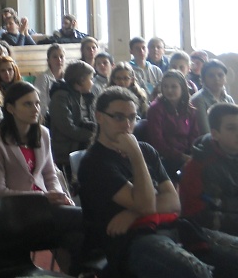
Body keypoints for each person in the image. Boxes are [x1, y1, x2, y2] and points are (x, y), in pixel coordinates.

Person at [78, 86, 238, 277]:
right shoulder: (95, 162)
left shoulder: (146, 150)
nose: (127, 124)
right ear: (99, 117)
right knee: (197, 273)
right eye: (119, 117)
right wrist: (135, 155)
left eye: (132, 117)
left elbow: (174, 202)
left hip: (171, 226)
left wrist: (133, 212)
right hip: (131, 241)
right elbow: (147, 205)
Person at [0, 81, 82, 274]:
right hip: (15, 212)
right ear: (11, 108)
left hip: (45, 208)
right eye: (27, 104)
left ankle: (77, 272)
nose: (35, 108)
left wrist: (58, 194)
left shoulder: (43, 133)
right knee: (83, 219)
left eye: (37, 103)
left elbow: (50, 174)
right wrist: (43, 197)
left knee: (75, 236)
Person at [180, 103, 238, 236]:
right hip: (209, 233)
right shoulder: (197, 166)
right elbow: (196, 215)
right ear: (215, 134)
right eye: (231, 128)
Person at [146, 69, 201, 179]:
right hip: (165, 158)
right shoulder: (156, 108)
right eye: (165, 86)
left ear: (183, 88)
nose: (169, 90)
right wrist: (181, 156)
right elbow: (157, 142)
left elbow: (194, 135)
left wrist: (191, 153)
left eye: (174, 87)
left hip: (187, 154)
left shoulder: (189, 108)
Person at [48, 60, 96, 171]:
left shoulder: (80, 95)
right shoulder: (61, 97)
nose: (92, 83)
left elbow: (82, 120)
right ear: (81, 80)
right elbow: (67, 128)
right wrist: (93, 135)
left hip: (78, 145)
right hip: (65, 151)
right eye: (91, 79)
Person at [191, 60, 235, 133]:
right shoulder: (198, 99)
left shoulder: (228, 99)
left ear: (225, 78)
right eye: (211, 75)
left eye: (220, 75)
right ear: (203, 79)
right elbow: (205, 131)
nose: (216, 79)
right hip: (209, 139)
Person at [33, 43, 65, 121]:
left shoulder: (68, 78)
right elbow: (41, 105)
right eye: (55, 57)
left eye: (61, 57)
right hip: (48, 119)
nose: (59, 60)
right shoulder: (42, 78)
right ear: (48, 60)